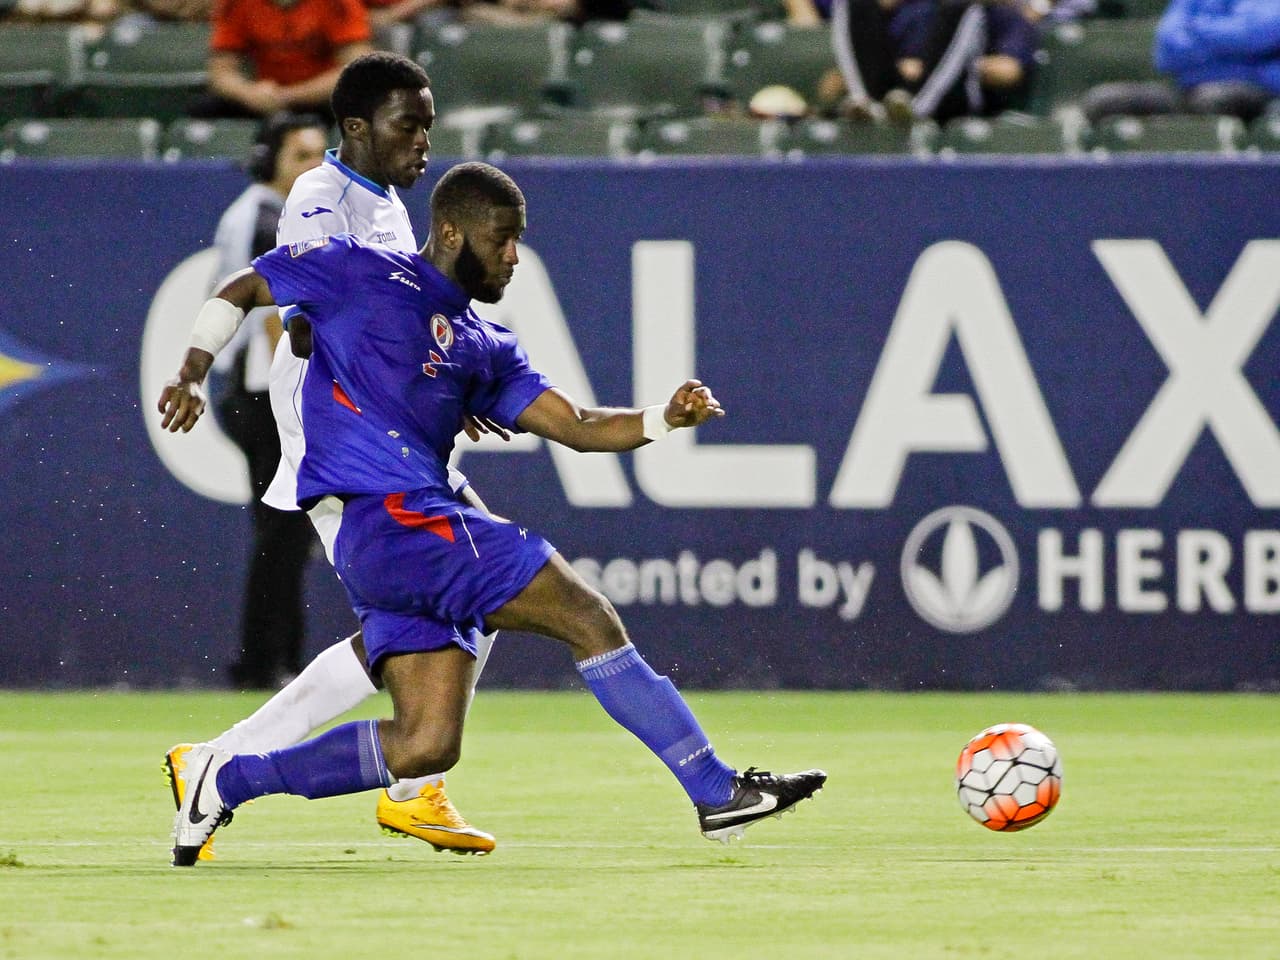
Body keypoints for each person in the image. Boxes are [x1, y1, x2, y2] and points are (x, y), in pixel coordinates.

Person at [162, 161, 827, 867]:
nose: (514, 255)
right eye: (502, 239)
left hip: (385, 542)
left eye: (518, 241)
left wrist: (665, 417)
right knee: (586, 615)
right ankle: (714, 788)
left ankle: (224, 776)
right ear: (451, 233)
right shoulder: (362, 273)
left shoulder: (483, 344)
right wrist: (191, 370)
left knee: (425, 744)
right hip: (398, 520)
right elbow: (244, 288)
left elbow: (577, 424)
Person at [159, 52, 499, 858]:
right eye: (407, 124)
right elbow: (295, 306)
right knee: (463, 589)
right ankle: (246, 767)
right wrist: (195, 367)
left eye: (428, 125)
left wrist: (451, 386)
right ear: (356, 128)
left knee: (467, 594)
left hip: (386, 432)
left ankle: (244, 767)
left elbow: (393, 318)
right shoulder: (319, 194)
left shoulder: (379, 206)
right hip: (340, 439)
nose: (424, 141)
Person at [212, 112, 329, 690]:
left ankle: (276, 660)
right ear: (271, 162)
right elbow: (276, 325)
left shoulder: (261, 209)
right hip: (265, 396)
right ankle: (264, 663)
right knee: (283, 532)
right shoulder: (269, 217)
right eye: (300, 156)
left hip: (254, 393)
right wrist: (309, 404)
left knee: (286, 533)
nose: (315, 167)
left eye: (319, 155)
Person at [828, 0, 1039, 124]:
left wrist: (956, 65)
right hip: (897, 97)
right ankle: (870, 105)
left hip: (953, 103)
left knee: (962, 9)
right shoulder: (916, 12)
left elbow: (1010, 71)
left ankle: (916, 111)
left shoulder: (1003, 16)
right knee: (855, 4)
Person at [1082, 0, 1280, 123]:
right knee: (1104, 102)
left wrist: (1195, 29)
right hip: (1188, 90)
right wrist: (1226, 46)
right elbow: (1166, 50)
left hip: (1262, 90)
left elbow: (1254, 37)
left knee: (1211, 100)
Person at [189, 0, 376, 121]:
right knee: (203, 109)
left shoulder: (339, 3)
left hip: (320, 100)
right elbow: (221, 72)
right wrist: (248, 93)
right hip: (263, 99)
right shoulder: (235, 4)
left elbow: (356, 70)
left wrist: (289, 96)